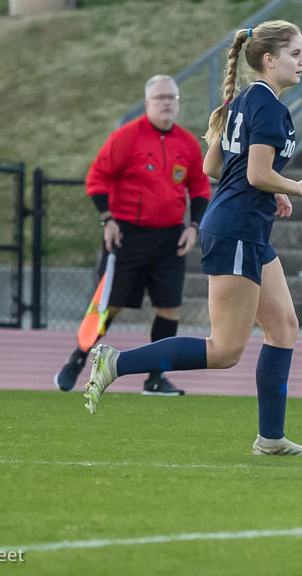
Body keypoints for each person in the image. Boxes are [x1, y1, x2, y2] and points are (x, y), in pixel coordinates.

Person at [82, 21, 302, 458]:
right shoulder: (266, 106)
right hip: (235, 231)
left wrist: (273, 193)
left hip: (246, 227)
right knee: (226, 349)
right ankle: (115, 361)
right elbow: (254, 173)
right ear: (269, 60)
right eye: (296, 53)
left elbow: (215, 167)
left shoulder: (246, 99)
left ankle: (270, 439)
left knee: (284, 327)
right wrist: (294, 188)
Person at [54, 75, 211, 396]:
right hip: (127, 236)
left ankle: (155, 378)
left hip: (170, 239)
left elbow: (199, 187)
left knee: (170, 308)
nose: (167, 103)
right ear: (148, 103)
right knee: (108, 306)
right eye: (160, 98)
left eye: (172, 97)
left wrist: (193, 227)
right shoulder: (126, 137)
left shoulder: (188, 144)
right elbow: (97, 177)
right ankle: (78, 359)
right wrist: (108, 220)